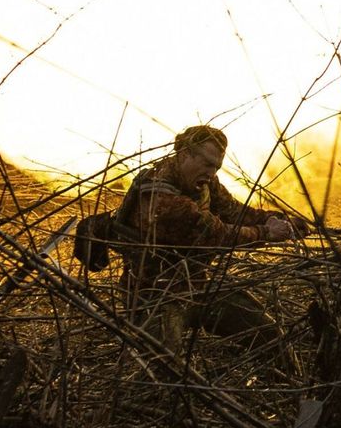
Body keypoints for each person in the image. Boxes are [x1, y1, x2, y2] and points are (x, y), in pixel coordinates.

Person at [116, 125, 307, 352]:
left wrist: (276, 219)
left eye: (216, 167)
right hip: (154, 298)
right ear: (185, 154)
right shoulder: (159, 197)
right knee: (164, 367)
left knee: (270, 336)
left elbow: (234, 212)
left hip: (197, 286)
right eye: (207, 164)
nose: (212, 173)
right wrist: (267, 233)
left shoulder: (203, 181)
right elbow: (215, 234)